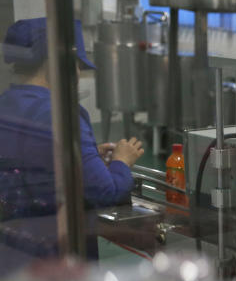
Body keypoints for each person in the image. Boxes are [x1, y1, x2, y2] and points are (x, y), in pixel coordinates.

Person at [0, 17, 144, 265]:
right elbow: (105, 192)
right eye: (76, 64)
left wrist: (85, 155)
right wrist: (121, 161)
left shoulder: (6, 104)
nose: (77, 73)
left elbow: (29, 162)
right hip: (56, 263)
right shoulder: (63, 115)